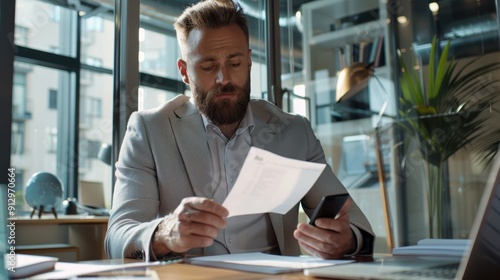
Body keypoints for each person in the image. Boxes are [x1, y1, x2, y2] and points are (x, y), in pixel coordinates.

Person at [105, 0, 374, 261]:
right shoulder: (150, 130)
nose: (224, 79)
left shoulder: (294, 131)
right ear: (185, 72)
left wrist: (346, 240)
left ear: (248, 61)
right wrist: (166, 233)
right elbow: (116, 240)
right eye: (209, 66)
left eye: (234, 63)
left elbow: (357, 226)